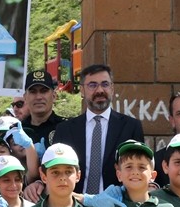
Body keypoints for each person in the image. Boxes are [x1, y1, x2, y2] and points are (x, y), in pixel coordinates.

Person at [49, 65, 145, 195]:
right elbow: (54, 169)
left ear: (112, 88)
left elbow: (139, 167)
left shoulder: (131, 127)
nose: (100, 90)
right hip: (75, 205)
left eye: (105, 84)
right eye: (92, 85)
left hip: (117, 205)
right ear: (82, 90)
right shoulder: (65, 129)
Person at [18, 68, 66, 147]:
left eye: (44, 91)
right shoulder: (18, 130)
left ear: (54, 96)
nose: (38, 97)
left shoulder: (66, 127)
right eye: (33, 92)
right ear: (25, 98)